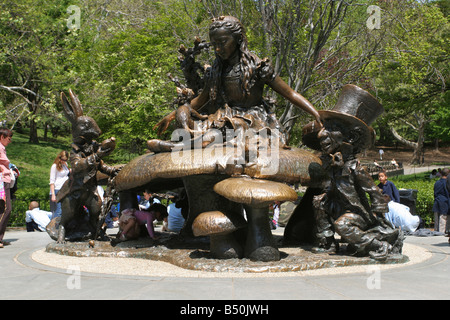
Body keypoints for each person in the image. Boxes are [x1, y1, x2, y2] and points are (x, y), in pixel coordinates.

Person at [149, 15, 322, 153]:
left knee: (223, 130)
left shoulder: (258, 67)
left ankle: (176, 147)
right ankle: (187, 141)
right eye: (214, 44)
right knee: (186, 116)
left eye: (223, 42)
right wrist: (174, 114)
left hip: (251, 120)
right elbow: (201, 101)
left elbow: (290, 93)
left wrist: (317, 115)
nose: (218, 49)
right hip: (221, 117)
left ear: (238, 40)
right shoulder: (216, 70)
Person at [0, 128, 13, 248]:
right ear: (2, 137)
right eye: (9, 139)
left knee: (4, 209)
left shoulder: (2, 148)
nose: (10, 141)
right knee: (6, 209)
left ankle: (0, 238)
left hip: (5, 180)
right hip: (2, 181)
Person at [49, 150, 70, 218]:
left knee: (64, 210)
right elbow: (52, 181)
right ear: (59, 158)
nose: (64, 161)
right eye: (62, 159)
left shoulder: (65, 165)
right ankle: (54, 226)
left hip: (65, 189)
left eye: (65, 160)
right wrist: (53, 194)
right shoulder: (54, 166)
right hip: (57, 189)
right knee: (58, 211)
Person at [432, 168, 449, 234]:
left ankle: (436, 233)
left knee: (436, 222)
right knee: (443, 221)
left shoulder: (437, 182)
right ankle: (441, 235)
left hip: (436, 202)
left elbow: (435, 193)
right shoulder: (447, 183)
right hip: (444, 203)